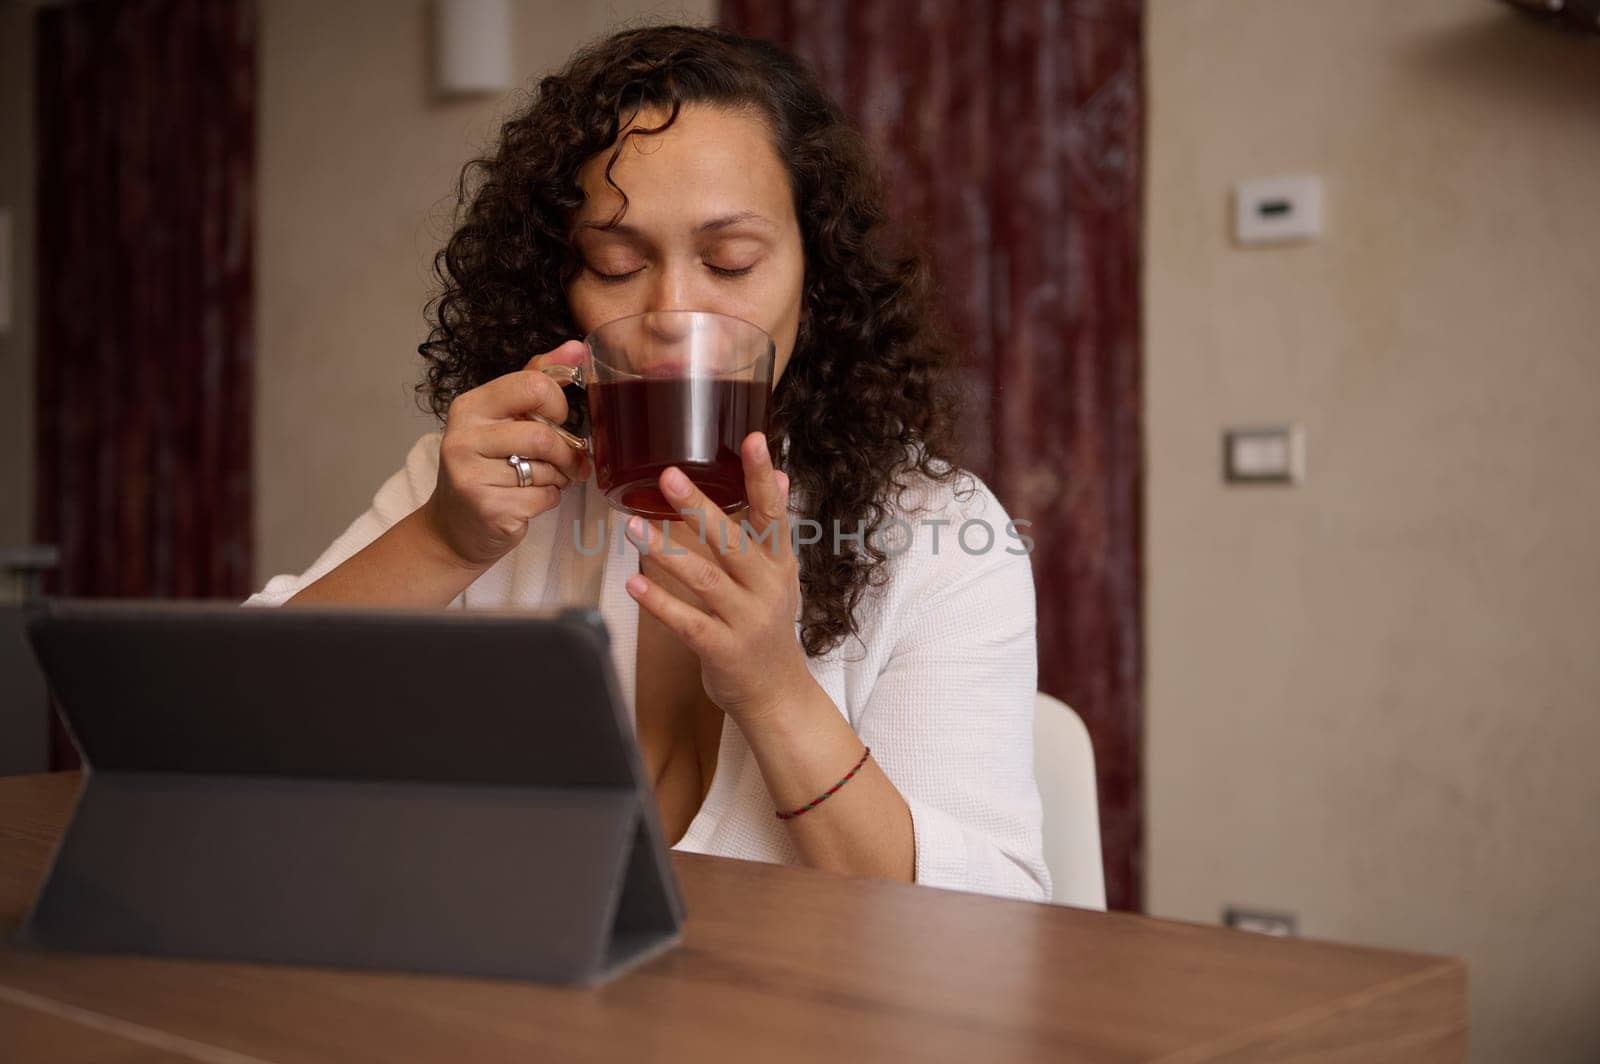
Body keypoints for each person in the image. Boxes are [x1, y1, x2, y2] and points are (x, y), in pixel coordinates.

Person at [247, 25, 1050, 902]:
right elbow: (222, 734)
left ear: (814, 279)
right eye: (616, 263)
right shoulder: (489, 486)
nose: (672, 310)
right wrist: (443, 540)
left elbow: (992, 925)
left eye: (729, 261)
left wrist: (776, 690)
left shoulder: (937, 535)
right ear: (561, 284)